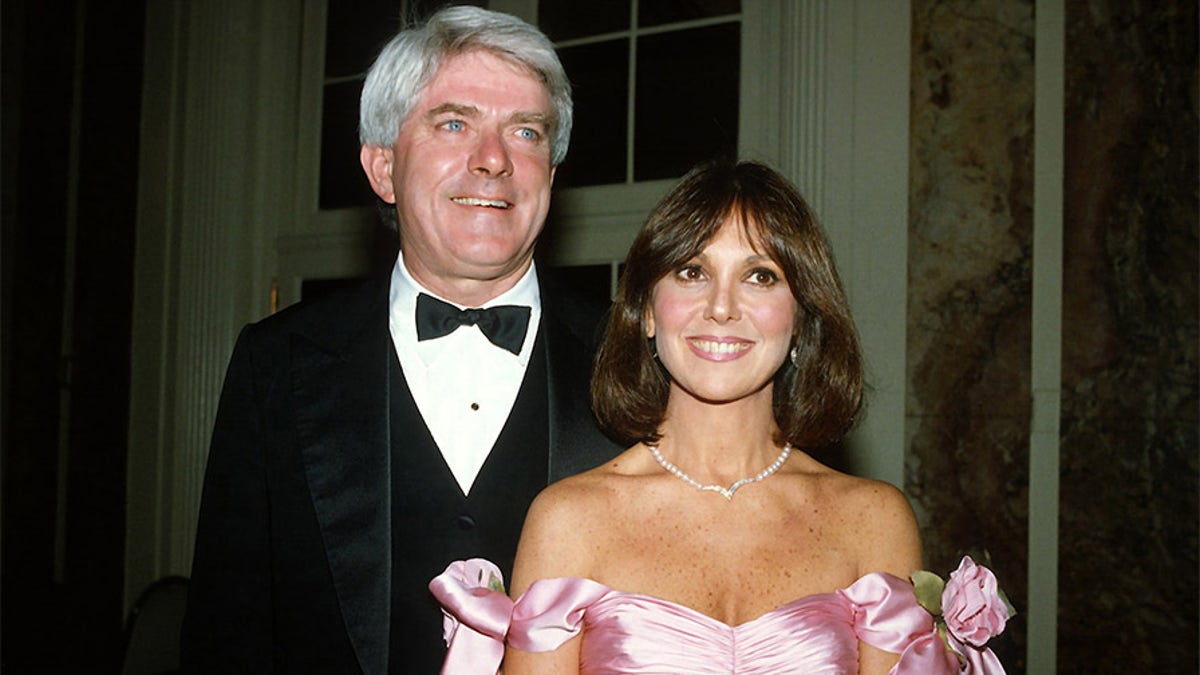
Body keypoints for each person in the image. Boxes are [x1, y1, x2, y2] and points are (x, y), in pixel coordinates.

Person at [430, 161, 1009, 673]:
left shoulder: (873, 521)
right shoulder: (568, 522)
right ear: (647, 313)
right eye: (691, 271)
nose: (723, 307)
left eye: (760, 276)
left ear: (802, 318)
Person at [179, 6, 620, 673]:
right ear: (382, 168)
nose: (495, 159)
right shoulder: (277, 364)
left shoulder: (636, 357)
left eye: (526, 131)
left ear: (551, 176)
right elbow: (227, 635)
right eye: (453, 123)